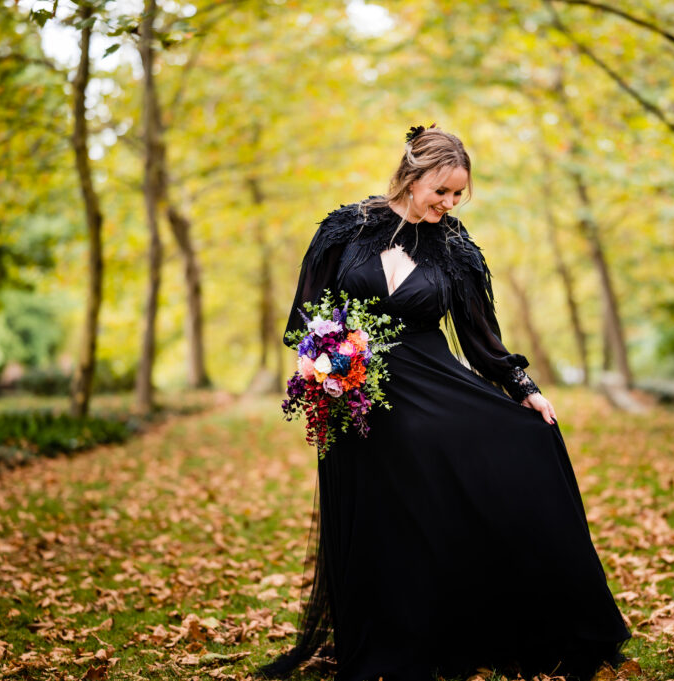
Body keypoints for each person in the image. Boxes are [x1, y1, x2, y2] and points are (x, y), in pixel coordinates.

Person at [259, 125, 630, 681]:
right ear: (412, 178)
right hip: (356, 393)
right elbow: (307, 315)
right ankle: (386, 637)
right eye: (442, 191)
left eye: (459, 194)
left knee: (518, 448)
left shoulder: (454, 247)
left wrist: (524, 389)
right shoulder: (345, 230)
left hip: (433, 384)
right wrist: (319, 364)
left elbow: (480, 336)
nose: (450, 204)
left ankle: (506, 626)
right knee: (383, 520)